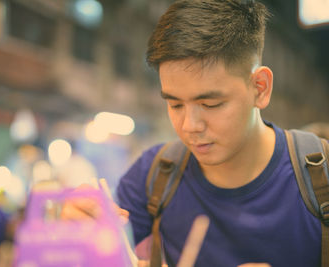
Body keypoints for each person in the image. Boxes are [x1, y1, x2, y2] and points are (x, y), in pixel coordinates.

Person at [63, 1, 324, 266]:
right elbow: (99, 246)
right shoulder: (155, 175)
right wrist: (76, 232)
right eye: (175, 104)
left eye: (210, 104)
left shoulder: (319, 179)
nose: (189, 125)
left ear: (260, 88)